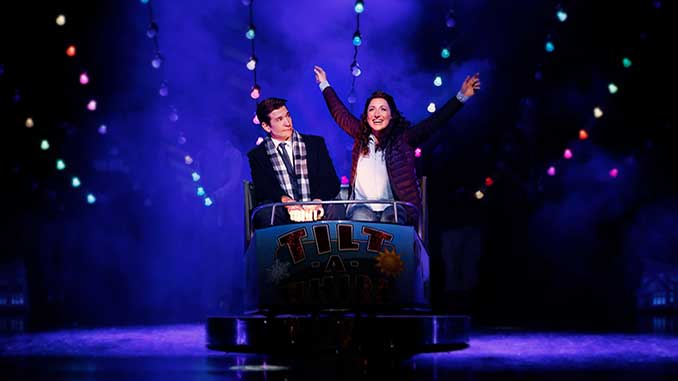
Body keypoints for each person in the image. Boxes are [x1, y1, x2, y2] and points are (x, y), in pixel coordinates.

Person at [313, 65, 480, 224]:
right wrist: (324, 84)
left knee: (391, 220)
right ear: (366, 116)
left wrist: (461, 96)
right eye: (372, 109)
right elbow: (339, 113)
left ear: (391, 116)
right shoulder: (360, 135)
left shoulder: (404, 139)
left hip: (393, 207)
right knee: (360, 217)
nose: (377, 114)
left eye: (383, 109)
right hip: (361, 206)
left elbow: (434, 122)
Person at [247, 97, 343, 228]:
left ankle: (333, 247)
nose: (287, 123)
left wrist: (317, 201)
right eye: (279, 119)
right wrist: (287, 202)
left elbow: (331, 181)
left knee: (335, 207)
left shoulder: (315, 144)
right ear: (266, 126)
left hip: (315, 207)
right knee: (267, 213)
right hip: (284, 210)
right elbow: (264, 189)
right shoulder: (258, 155)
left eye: (288, 116)